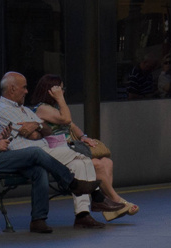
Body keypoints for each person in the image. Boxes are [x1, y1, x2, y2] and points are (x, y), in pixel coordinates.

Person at [0, 73, 99, 234]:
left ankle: (38, 220)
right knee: (35, 152)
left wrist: (0, 138)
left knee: (37, 169)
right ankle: (72, 183)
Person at [0, 73, 123, 225]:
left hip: (44, 150)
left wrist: (37, 125)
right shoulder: (3, 111)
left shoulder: (24, 110)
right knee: (82, 157)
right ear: (12, 89)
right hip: (29, 155)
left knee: (80, 163)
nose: (27, 91)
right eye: (24, 87)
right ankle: (97, 197)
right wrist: (37, 128)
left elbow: (44, 130)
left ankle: (83, 215)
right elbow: (32, 134)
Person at [31, 74, 138, 216]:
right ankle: (117, 200)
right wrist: (60, 99)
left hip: (72, 147)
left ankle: (107, 206)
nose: (63, 92)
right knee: (97, 165)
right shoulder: (42, 108)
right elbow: (66, 118)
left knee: (107, 162)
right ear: (51, 91)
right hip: (59, 151)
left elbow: (71, 125)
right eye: (60, 89)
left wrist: (83, 137)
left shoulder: (56, 106)